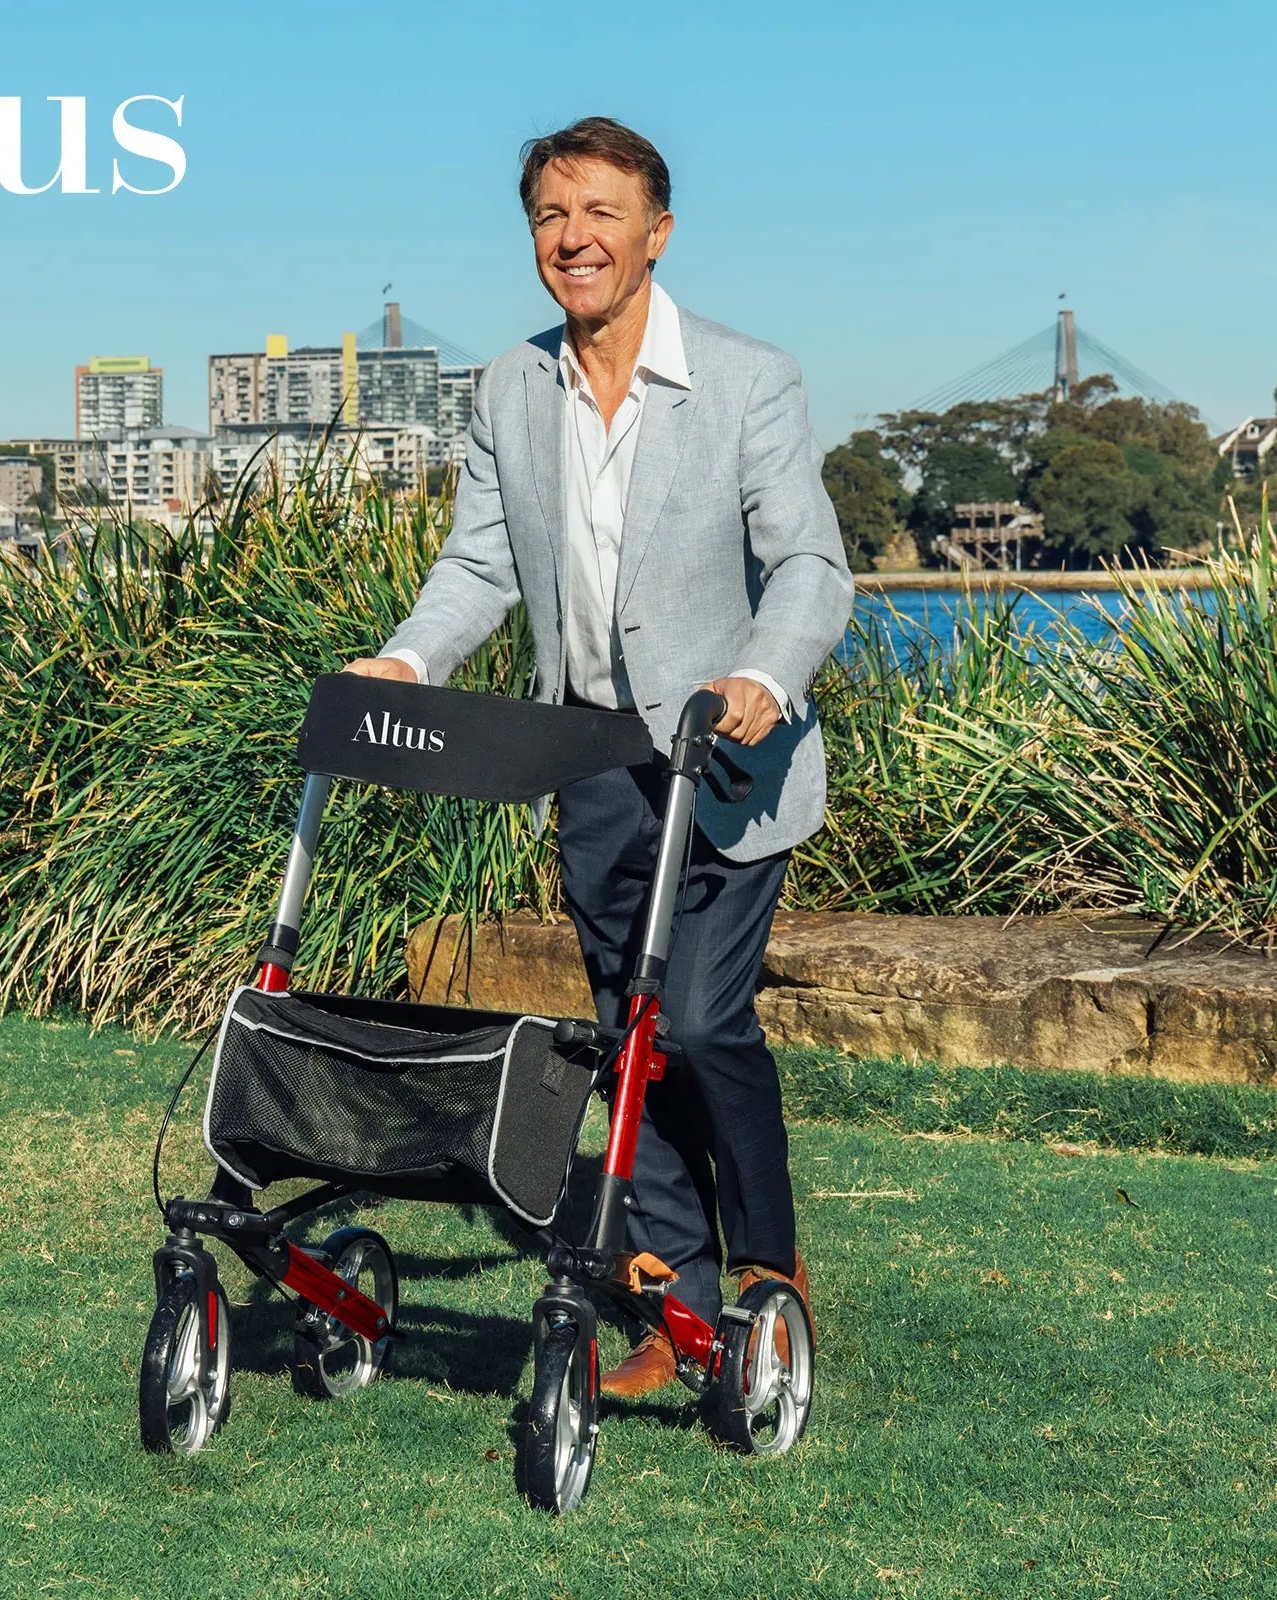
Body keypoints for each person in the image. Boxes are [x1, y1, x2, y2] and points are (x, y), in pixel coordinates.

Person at [345, 116, 852, 1397]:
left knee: (694, 1015)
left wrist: (760, 672)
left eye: (600, 213)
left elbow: (807, 564)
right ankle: (665, 1308)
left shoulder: (750, 380)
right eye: (548, 217)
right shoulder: (510, 387)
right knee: (629, 1030)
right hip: (587, 755)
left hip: (727, 758)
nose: (572, 237)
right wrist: (409, 661)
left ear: (655, 234)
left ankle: (769, 1272)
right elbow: (480, 565)